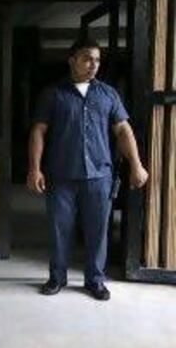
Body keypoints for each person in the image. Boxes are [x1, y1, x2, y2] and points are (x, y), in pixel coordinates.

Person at [28, 37, 148, 301]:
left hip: (99, 176)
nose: (93, 64)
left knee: (97, 230)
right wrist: (34, 169)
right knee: (59, 228)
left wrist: (136, 165)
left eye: (96, 60)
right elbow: (39, 131)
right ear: (72, 60)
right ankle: (56, 278)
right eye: (87, 58)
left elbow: (123, 131)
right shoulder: (53, 93)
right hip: (61, 175)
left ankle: (95, 280)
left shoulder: (108, 94)